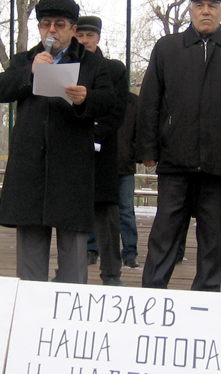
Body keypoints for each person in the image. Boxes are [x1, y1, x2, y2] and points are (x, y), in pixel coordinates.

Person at [137, 0, 221, 291]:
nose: (206, 11)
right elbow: (149, 102)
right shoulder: (167, 48)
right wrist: (147, 148)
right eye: (199, 5)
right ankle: (152, 294)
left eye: (212, 5)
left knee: (212, 237)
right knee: (164, 233)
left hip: (220, 162)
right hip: (174, 160)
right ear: (191, 10)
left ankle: (207, 297)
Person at [0, 0, 116, 283]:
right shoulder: (25, 60)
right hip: (31, 166)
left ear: (72, 29)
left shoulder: (92, 62)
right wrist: (30, 71)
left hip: (71, 166)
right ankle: (30, 307)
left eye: (59, 25)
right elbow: (0, 89)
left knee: (73, 246)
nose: (52, 30)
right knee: (31, 244)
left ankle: (70, 306)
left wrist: (87, 98)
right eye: (45, 24)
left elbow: (109, 101)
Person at [75, 16, 129, 285]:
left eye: (90, 35)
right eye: (80, 35)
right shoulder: (66, 66)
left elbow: (117, 110)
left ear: (98, 37)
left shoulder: (114, 69)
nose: (85, 40)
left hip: (103, 152)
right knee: (71, 214)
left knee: (107, 217)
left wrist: (92, 132)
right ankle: (72, 273)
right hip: (70, 153)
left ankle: (111, 273)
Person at [117, 92, 140, 268]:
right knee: (96, 209)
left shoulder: (134, 102)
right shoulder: (99, 96)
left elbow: (139, 131)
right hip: (101, 164)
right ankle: (91, 249)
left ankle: (130, 252)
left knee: (126, 211)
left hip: (125, 165)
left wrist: (135, 154)